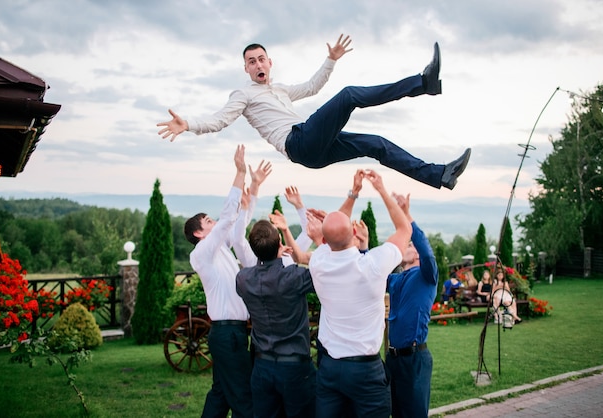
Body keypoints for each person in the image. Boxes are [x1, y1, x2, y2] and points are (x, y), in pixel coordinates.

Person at [157, 34, 471, 190]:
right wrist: (189, 125)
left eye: (261, 59)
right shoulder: (243, 95)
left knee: (376, 143)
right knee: (349, 96)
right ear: (246, 69)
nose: (257, 64)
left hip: (314, 152)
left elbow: (311, 87)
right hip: (299, 142)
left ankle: (439, 175)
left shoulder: (278, 90)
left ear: (269, 62)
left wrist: (331, 59)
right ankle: (422, 83)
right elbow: (220, 120)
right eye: (251, 61)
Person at [289, 168, 411, 417]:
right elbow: (404, 230)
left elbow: (334, 232)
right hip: (365, 371)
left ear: (323, 239)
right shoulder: (372, 265)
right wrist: (381, 189)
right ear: (355, 233)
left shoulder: (319, 262)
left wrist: (352, 194)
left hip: (330, 368)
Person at [183, 145, 271, 418]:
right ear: (199, 233)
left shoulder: (220, 249)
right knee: (244, 396)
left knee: (220, 392)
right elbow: (226, 220)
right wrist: (239, 173)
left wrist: (253, 188)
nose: (214, 223)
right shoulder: (202, 254)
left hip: (230, 333)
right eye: (208, 221)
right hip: (227, 334)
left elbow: (237, 225)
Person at [235, 217, 316, 418]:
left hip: (262, 366)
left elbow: (262, 273)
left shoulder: (243, 279)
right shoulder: (293, 277)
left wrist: (273, 255)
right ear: (280, 243)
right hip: (295, 367)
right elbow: (324, 266)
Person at [385, 192, 439, 418]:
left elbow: (426, 251)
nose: (405, 245)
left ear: (415, 252)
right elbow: (371, 272)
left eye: (408, 243)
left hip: (414, 359)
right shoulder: (396, 279)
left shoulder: (427, 275)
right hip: (392, 359)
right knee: (394, 413)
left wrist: (406, 215)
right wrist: (362, 244)